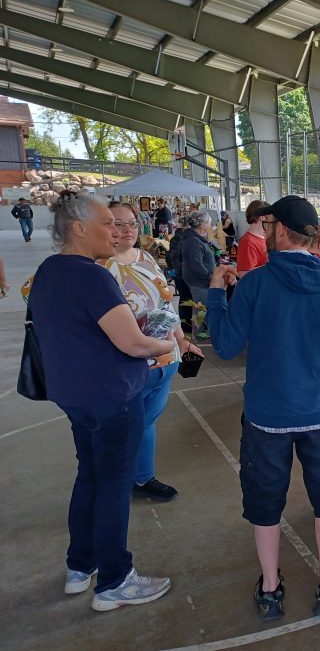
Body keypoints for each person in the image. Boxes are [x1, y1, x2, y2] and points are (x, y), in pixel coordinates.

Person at [205, 195, 320, 622]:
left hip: (267, 417)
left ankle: (271, 590)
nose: (264, 230)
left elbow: (225, 344)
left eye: (269, 224)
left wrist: (216, 293)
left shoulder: (255, 285)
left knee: (265, 500)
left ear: (281, 231)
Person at [28, 191, 174, 611]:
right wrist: (163, 344)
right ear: (78, 228)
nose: (115, 231)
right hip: (111, 396)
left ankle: (81, 565)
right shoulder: (92, 277)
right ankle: (115, 580)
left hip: (75, 394)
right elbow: (132, 343)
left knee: (90, 477)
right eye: (107, 224)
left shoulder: (49, 271)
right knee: (113, 485)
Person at [103, 202, 203, 502]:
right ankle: (116, 479)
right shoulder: (98, 267)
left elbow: (165, 305)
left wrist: (181, 340)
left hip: (165, 359)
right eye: (118, 223)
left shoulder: (146, 258)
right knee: (124, 427)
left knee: (146, 424)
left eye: (132, 223)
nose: (127, 230)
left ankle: (142, 478)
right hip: (128, 364)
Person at [180, 211, 216, 321]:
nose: (210, 226)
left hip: (201, 282)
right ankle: (199, 332)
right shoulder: (194, 241)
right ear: (202, 225)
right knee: (200, 314)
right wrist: (210, 276)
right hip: (200, 283)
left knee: (201, 312)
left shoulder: (195, 238)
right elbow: (196, 264)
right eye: (209, 223)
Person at [236, 200, 270, 278]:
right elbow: (243, 274)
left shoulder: (265, 237)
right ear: (262, 217)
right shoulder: (248, 242)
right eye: (269, 216)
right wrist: (271, 266)